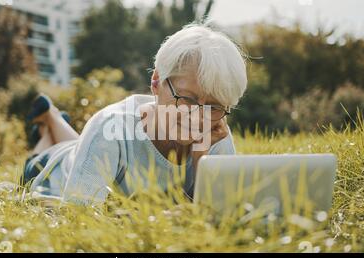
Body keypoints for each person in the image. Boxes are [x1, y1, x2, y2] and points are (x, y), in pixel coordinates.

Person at [22, 23, 248, 205]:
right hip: (50, 168)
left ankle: (52, 120)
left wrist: (202, 161)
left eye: (214, 106)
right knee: (54, 153)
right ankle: (49, 121)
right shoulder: (111, 128)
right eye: (187, 99)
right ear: (156, 82)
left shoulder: (215, 135)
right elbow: (78, 213)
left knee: (82, 143)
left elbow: (219, 216)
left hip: (86, 147)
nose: (198, 118)